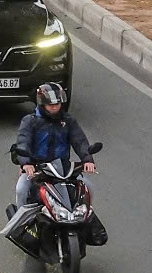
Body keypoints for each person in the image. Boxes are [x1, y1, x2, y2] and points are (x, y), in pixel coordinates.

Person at [9, 82, 95, 217]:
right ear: (42, 104)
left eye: (57, 104)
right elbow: (23, 142)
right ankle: (22, 221)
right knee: (21, 189)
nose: (55, 107)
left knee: (88, 187)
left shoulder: (68, 121)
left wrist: (87, 159)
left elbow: (80, 141)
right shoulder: (30, 121)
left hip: (63, 169)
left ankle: (84, 217)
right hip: (37, 169)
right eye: (51, 105)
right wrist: (26, 163)